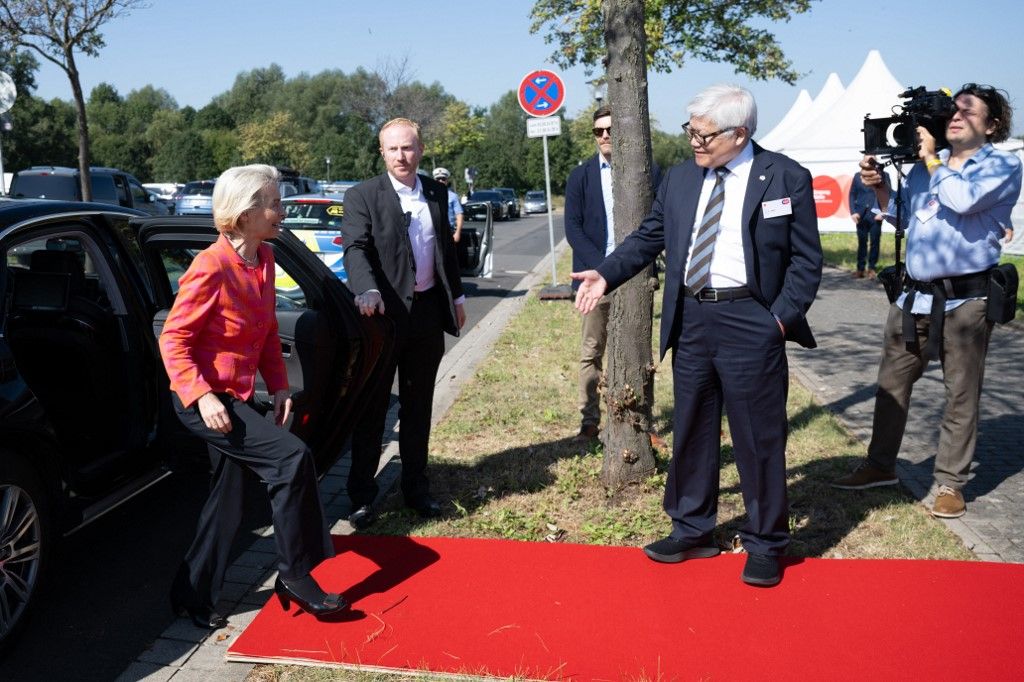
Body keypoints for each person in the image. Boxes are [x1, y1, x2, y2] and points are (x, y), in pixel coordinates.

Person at [572, 84, 822, 587]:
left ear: (740, 133)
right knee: (693, 429)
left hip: (751, 319)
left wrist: (778, 319)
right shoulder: (683, 179)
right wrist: (606, 273)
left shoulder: (784, 177)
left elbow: (805, 261)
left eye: (704, 135)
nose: (694, 143)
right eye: (691, 132)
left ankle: (766, 541)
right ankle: (691, 528)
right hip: (691, 319)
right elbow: (649, 236)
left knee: (758, 438)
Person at [160, 164, 346, 630]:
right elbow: (173, 340)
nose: (282, 211)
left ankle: (192, 594)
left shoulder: (263, 258)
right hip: (204, 402)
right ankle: (295, 574)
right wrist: (202, 396)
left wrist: (280, 385)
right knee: (292, 459)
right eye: (274, 204)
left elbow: (264, 334)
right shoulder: (211, 265)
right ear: (245, 215)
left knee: (228, 500)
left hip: (236, 397)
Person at [831, 84, 1022, 519]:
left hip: (966, 301)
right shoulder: (922, 167)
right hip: (912, 298)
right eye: (953, 110)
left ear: (991, 125)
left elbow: (962, 198)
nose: (955, 117)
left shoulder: (1001, 164)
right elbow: (900, 213)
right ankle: (880, 466)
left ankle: (951, 483)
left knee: (960, 394)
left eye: (967, 112)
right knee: (890, 385)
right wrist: (879, 188)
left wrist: (932, 158)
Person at [342, 118, 466, 530]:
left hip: (426, 316)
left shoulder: (436, 191)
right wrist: (368, 289)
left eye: (409, 148)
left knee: (418, 407)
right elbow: (355, 249)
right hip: (382, 319)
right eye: (393, 149)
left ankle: (416, 488)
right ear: (382, 152)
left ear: (421, 149)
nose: (402, 156)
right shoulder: (362, 195)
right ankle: (362, 496)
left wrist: (458, 297)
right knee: (373, 409)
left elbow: (445, 251)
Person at [564, 105, 661, 441]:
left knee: (639, 351)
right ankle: (589, 421)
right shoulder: (580, 177)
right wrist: (604, 269)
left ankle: (641, 423)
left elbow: (659, 224)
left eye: (611, 129)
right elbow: (573, 229)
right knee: (592, 351)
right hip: (594, 279)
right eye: (598, 131)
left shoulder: (647, 173)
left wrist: (627, 265)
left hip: (636, 275)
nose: (605, 135)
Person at [848, 170, 889, 278]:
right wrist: (853, 212)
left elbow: (888, 194)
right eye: (867, 160)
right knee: (862, 242)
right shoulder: (857, 176)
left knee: (875, 242)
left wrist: (883, 213)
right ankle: (860, 269)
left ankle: (872, 268)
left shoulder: (884, 175)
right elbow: (852, 194)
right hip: (861, 215)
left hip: (876, 215)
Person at [433, 166, 464, 244]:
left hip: (449, 231)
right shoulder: (429, 195)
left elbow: (459, 214)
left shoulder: (453, 196)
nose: (440, 181)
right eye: (438, 179)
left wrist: (457, 232)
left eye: (443, 179)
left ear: (447, 181)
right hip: (433, 232)